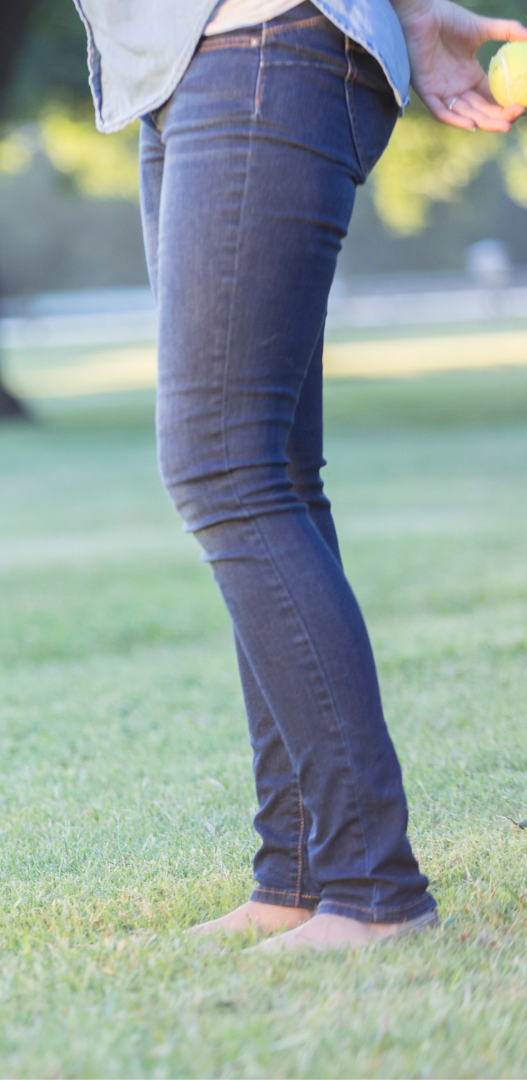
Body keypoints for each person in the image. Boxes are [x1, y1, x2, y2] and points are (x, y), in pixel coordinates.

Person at [73, 0, 524, 950]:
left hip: (263, 45)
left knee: (224, 470)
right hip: (195, 69)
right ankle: (301, 872)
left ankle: (373, 889)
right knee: (266, 468)